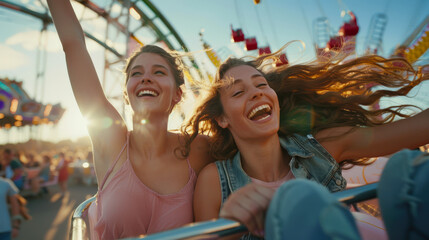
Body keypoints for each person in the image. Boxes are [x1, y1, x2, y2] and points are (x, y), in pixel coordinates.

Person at [185, 53, 429, 239]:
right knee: (299, 198)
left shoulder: (320, 147)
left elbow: (414, 130)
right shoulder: (215, 181)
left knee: (403, 170)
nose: (256, 93)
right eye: (238, 92)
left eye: (261, 85)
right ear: (223, 119)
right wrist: (232, 226)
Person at [46, 0, 211, 239]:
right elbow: (73, 45)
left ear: (178, 94)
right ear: (126, 93)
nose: (146, 78)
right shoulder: (112, 142)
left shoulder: (198, 148)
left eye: (159, 72)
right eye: (136, 73)